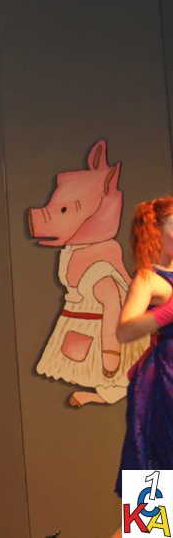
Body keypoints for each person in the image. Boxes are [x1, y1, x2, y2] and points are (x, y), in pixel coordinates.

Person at [114, 197, 173, 495]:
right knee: (153, 489)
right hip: (163, 384)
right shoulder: (150, 278)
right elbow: (124, 331)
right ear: (157, 231)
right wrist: (168, 312)